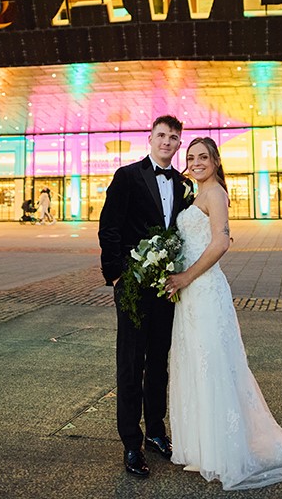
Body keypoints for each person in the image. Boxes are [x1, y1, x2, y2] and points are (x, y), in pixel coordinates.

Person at [164, 137, 282, 490]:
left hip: (205, 288)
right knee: (194, 363)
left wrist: (185, 276)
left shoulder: (216, 194)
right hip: (189, 297)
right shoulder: (194, 194)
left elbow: (220, 243)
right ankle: (202, 448)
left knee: (212, 364)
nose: (196, 162)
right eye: (192, 157)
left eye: (203, 157)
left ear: (215, 160)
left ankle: (223, 452)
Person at [98, 115, 193, 479]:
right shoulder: (127, 176)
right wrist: (117, 274)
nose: (167, 142)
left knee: (159, 361)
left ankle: (155, 430)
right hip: (133, 286)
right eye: (162, 136)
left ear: (178, 143)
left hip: (167, 287)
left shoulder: (184, 185)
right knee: (130, 362)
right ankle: (131, 442)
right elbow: (110, 226)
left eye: (173, 137)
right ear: (150, 138)